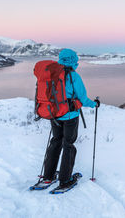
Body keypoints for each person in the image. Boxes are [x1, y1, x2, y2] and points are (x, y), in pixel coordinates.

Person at [41, 49, 97, 189]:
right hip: (70, 116)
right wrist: (94, 104)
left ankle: (48, 176)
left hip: (54, 114)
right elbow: (83, 98)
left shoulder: (52, 74)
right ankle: (65, 179)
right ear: (73, 60)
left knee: (55, 142)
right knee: (68, 145)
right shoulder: (73, 76)